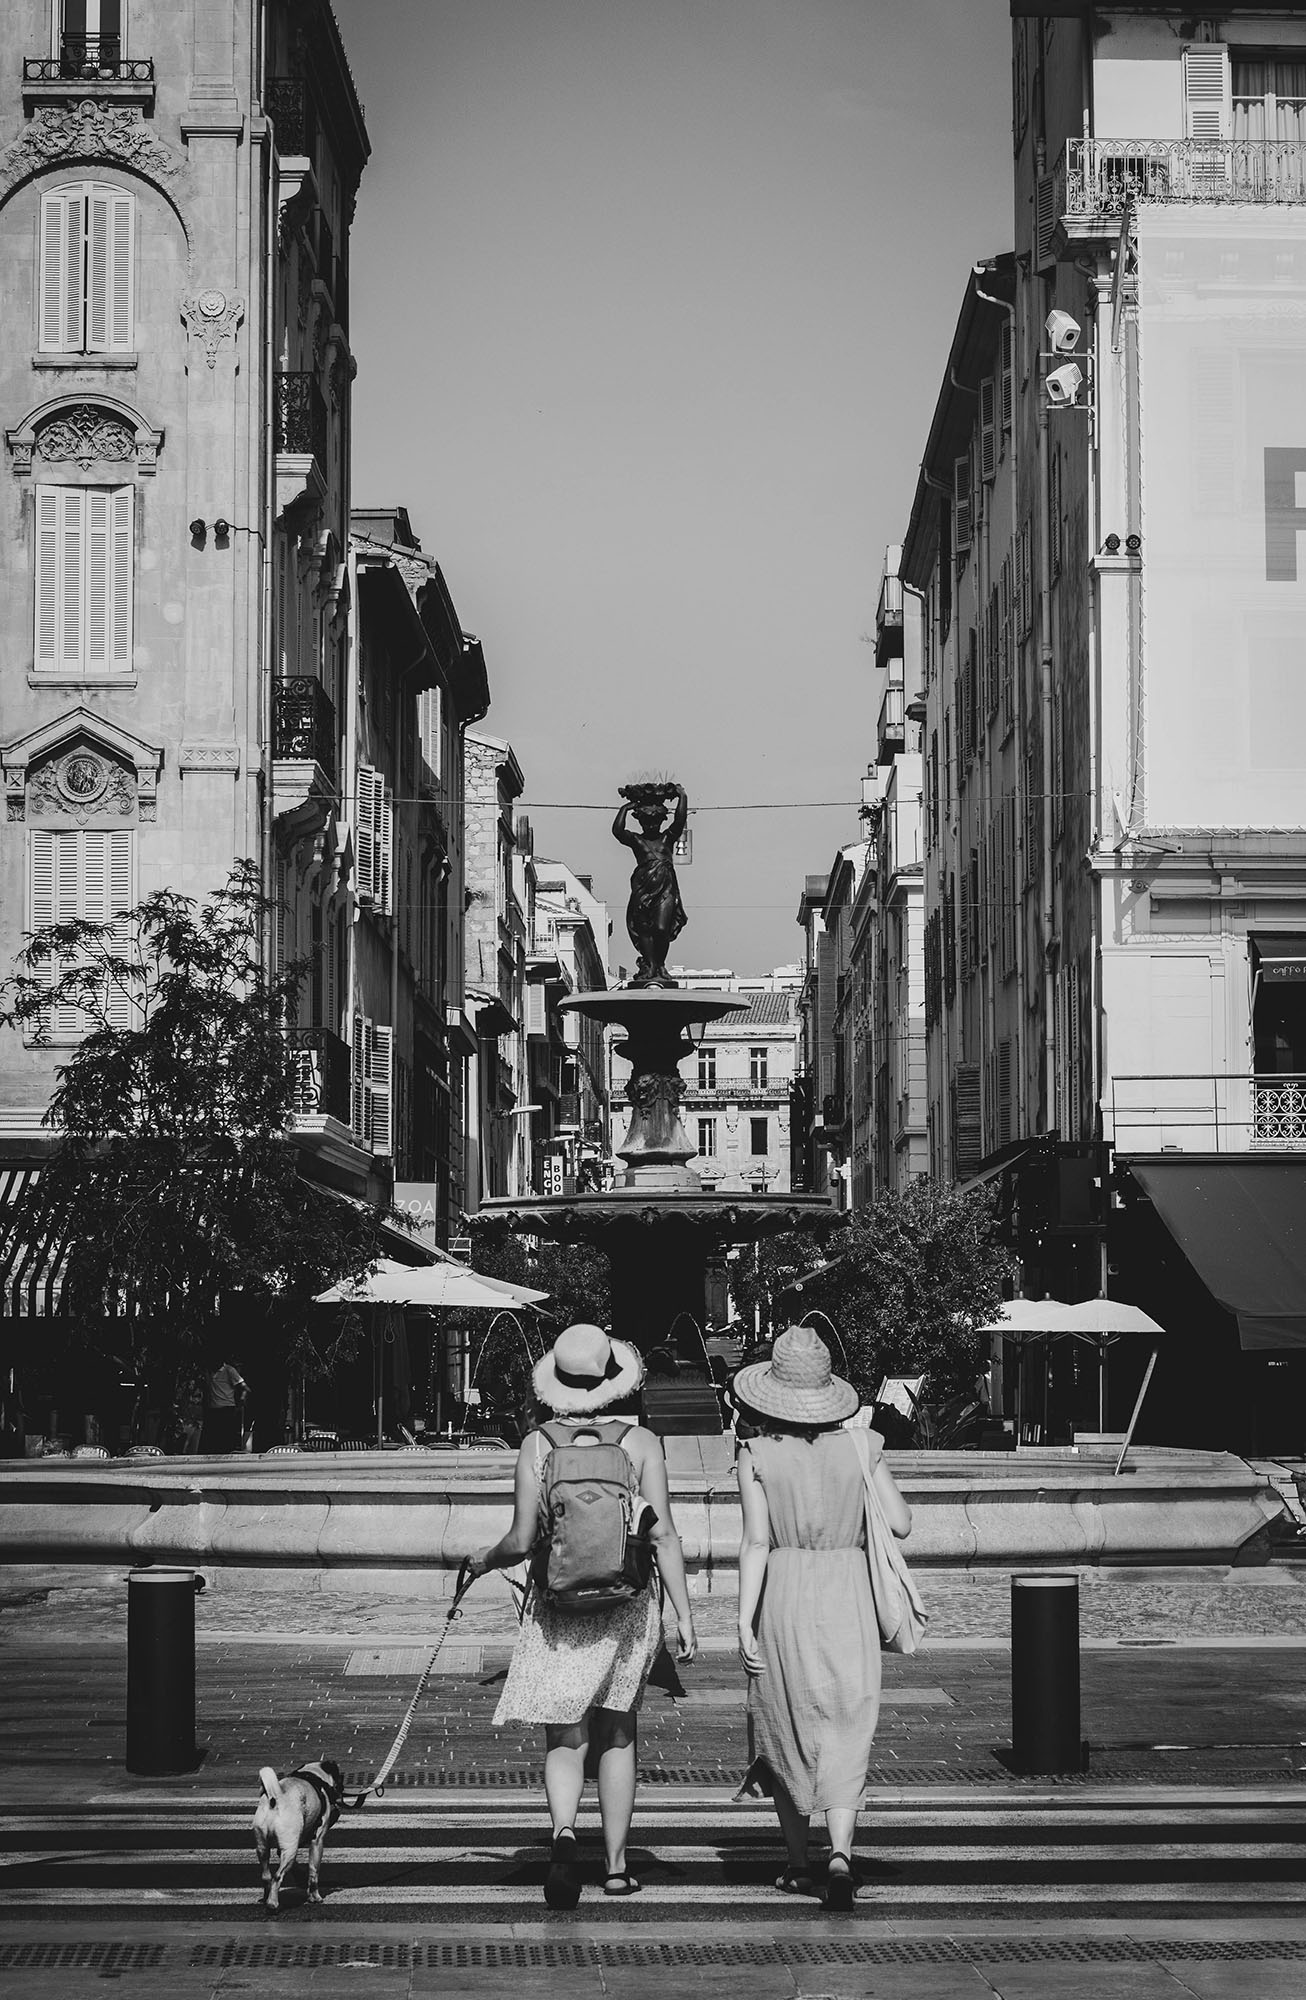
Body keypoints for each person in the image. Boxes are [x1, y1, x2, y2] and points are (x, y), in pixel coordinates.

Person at [469, 1323, 698, 1906]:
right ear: (613, 1379)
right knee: (618, 1732)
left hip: (558, 1611)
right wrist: (684, 1615)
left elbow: (521, 1541)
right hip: (627, 1606)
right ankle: (617, 1868)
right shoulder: (641, 1443)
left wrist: (483, 1560)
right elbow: (663, 1535)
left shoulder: (537, 1445)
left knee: (564, 1732)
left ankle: (565, 1835)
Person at [732, 1324, 912, 1909]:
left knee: (787, 1720)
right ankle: (840, 1854)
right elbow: (901, 1523)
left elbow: (756, 1543)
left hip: (784, 1592)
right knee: (846, 1723)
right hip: (848, 1591)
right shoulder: (863, 1446)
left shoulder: (756, 1454)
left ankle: (797, 1863)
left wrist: (743, 1619)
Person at [201, 1355, 248, 1453]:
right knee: (215, 1438)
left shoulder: (229, 1370)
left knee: (226, 1437)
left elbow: (244, 1387)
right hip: (213, 1408)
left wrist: (241, 1401)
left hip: (227, 1407)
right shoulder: (209, 1371)